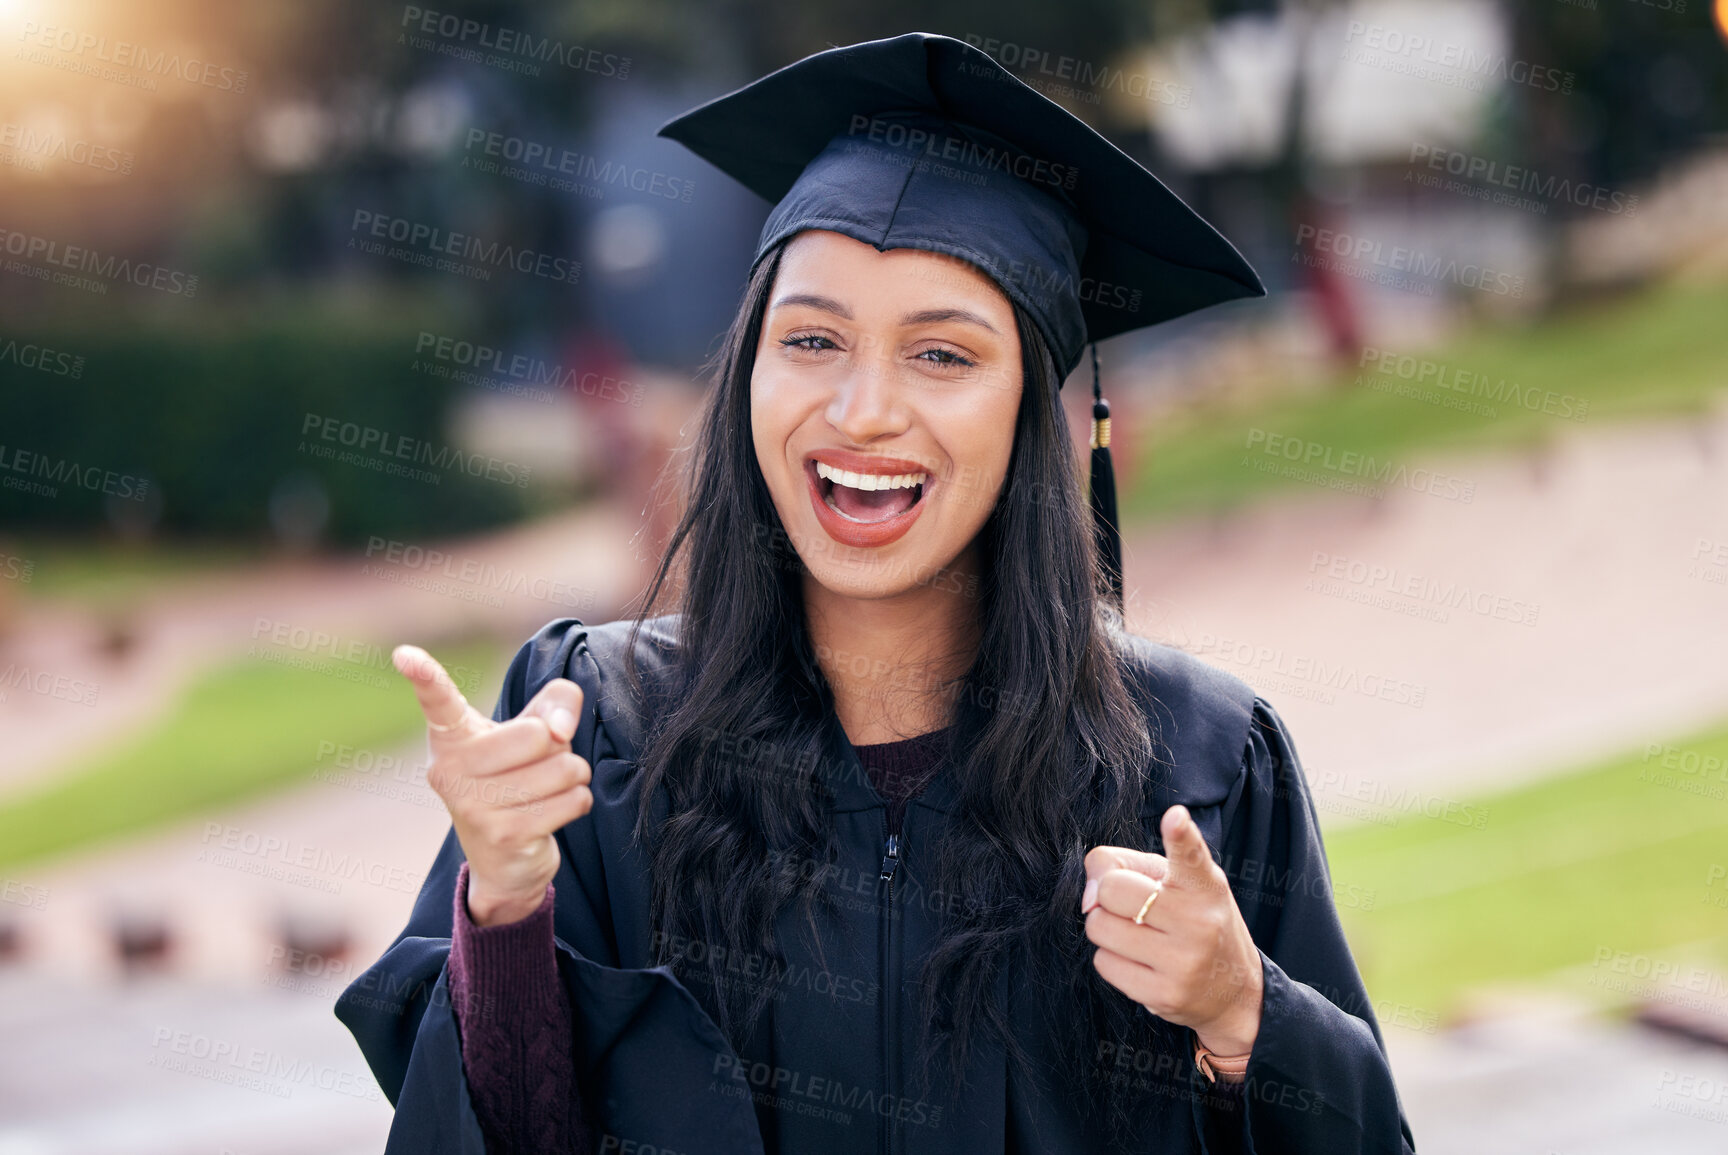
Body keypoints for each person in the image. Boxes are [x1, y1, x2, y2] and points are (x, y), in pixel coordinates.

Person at [336, 33, 1417, 1155]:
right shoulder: (599, 736)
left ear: (1028, 421)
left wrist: (1247, 1019)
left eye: (942, 357)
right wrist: (505, 911)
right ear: (748, 369)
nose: (861, 411)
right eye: (811, 339)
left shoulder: (1196, 766)